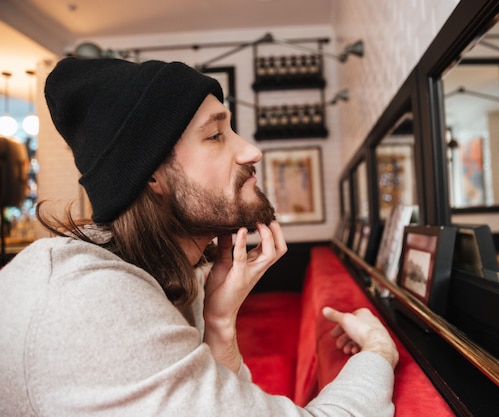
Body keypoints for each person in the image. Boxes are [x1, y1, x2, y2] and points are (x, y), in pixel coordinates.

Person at [0, 57, 398, 416]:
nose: (251, 151)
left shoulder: (164, 274)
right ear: (151, 174)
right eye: (215, 135)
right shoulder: (93, 302)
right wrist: (378, 353)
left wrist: (220, 321)